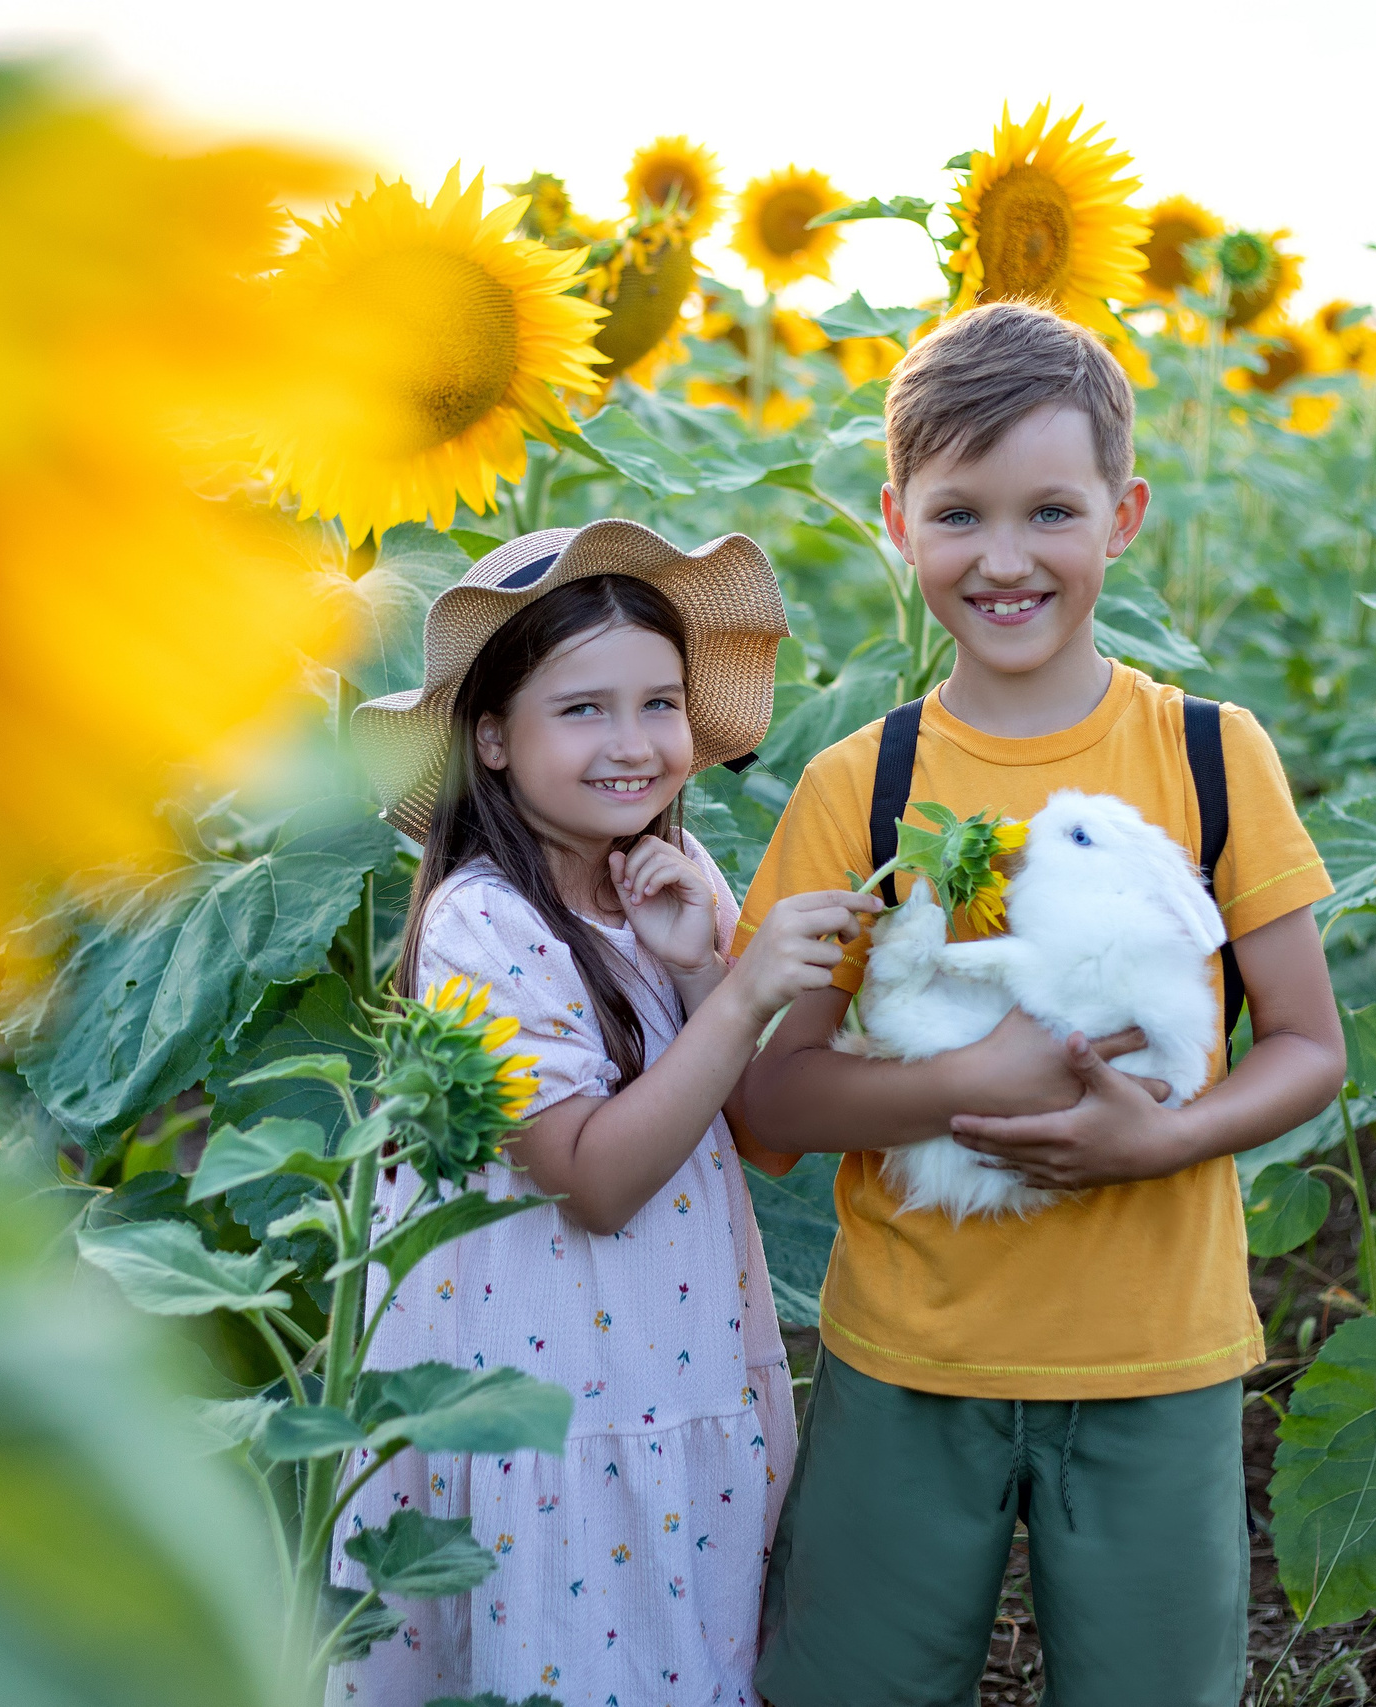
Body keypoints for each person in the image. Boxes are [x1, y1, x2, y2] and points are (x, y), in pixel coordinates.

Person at [732, 302, 1348, 1707]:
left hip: (1155, 1352)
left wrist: (1158, 1141)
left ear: (1124, 514)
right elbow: (770, 1093)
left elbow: (1310, 1046)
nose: (1004, 559)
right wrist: (979, 1079)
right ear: (898, 521)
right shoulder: (861, 785)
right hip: (909, 1349)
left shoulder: (1206, 752)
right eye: (960, 514)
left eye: (1051, 509)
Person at [331, 520, 878, 1705]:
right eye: (582, 710)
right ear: (492, 736)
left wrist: (696, 969)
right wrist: (743, 995)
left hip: (671, 1386)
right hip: (554, 1411)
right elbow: (594, 1178)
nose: (633, 745)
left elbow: (757, 1138)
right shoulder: (483, 928)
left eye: (659, 703)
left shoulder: (668, 887)